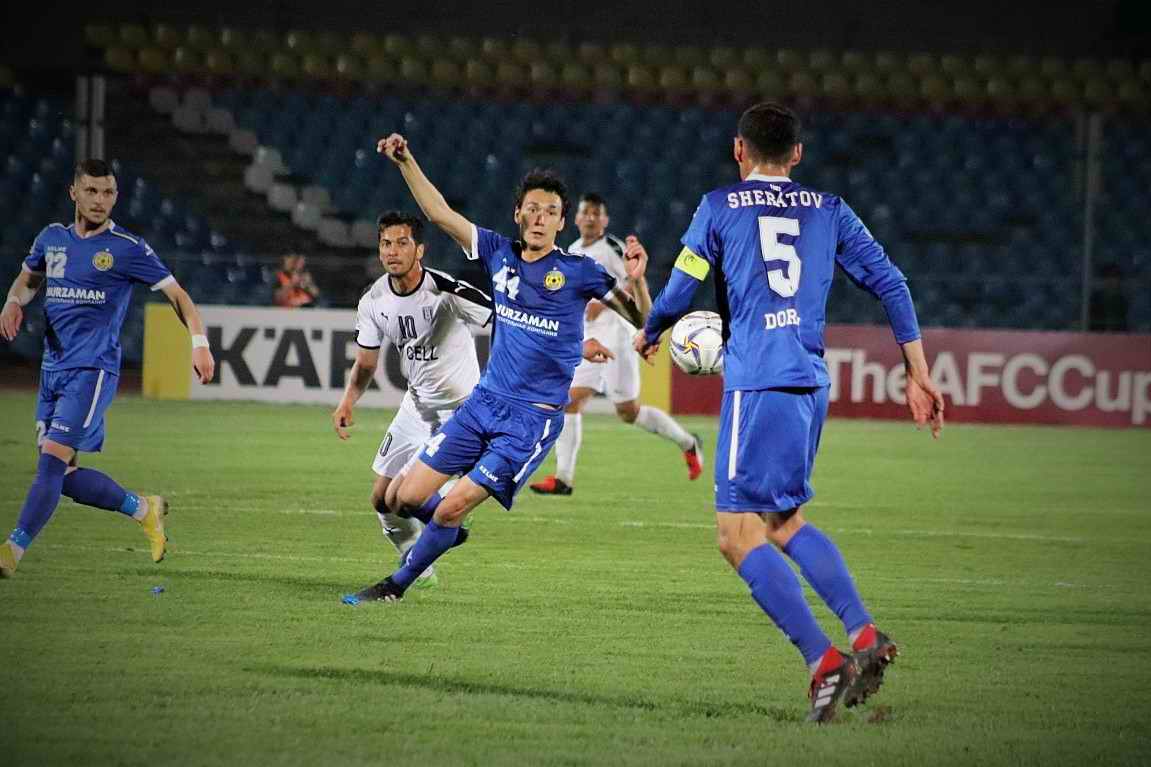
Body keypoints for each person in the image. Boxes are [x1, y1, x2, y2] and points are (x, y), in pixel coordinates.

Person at [635, 103, 945, 723]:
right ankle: (863, 635)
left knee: (735, 534)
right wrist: (918, 372)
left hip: (757, 383)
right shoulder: (829, 208)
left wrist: (653, 327)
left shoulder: (719, 206)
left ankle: (824, 663)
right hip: (808, 382)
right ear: (797, 154)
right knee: (780, 519)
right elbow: (893, 283)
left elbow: (683, 283)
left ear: (738, 149)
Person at [343, 133, 649, 604]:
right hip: (482, 405)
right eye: (532, 208)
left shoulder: (580, 271)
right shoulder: (497, 252)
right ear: (517, 213)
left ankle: (395, 586)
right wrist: (406, 161)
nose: (540, 218)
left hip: (529, 421)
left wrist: (639, 280)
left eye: (550, 211)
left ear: (561, 222)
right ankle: (444, 532)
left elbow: (642, 318)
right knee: (404, 496)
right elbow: (439, 213)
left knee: (450, 508)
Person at [0, 158, 216, 578]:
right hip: (53, 370)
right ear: (74, 193)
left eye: (108, 192)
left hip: (92, 370)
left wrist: (200, 344)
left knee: (50, 463)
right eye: (92, 191)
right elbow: (29, 279)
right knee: (62, 475)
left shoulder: (127, 248)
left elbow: (178, 296)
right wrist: (12, 302)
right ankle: (143, 509)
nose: (100, 200)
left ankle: (12, 551)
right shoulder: (52, 239)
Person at [332, 210, 494, 590]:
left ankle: (447, 520)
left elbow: (502, 320)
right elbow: (366, 363)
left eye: (402, 243)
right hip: (417, 405)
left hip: (460, 411)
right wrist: (348, 401)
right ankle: (419, 564)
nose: (392, 251)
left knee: (402, 498)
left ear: (419, 249)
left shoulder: (445, 291)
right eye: (386, 244)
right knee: (380, 499)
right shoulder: (373, 301)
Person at [530, 193, 703, 497]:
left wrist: (604, 301)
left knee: (628, 412)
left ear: (605, 220)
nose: (591, 218)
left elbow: (632, 283)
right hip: (589, 338)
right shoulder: (573, 250)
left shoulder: (612, 247)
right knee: (568, 402)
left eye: (596, 213)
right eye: (586, 212)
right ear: (576, 218)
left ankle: (689, 443)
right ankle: (563, 479)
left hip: (617, 337)